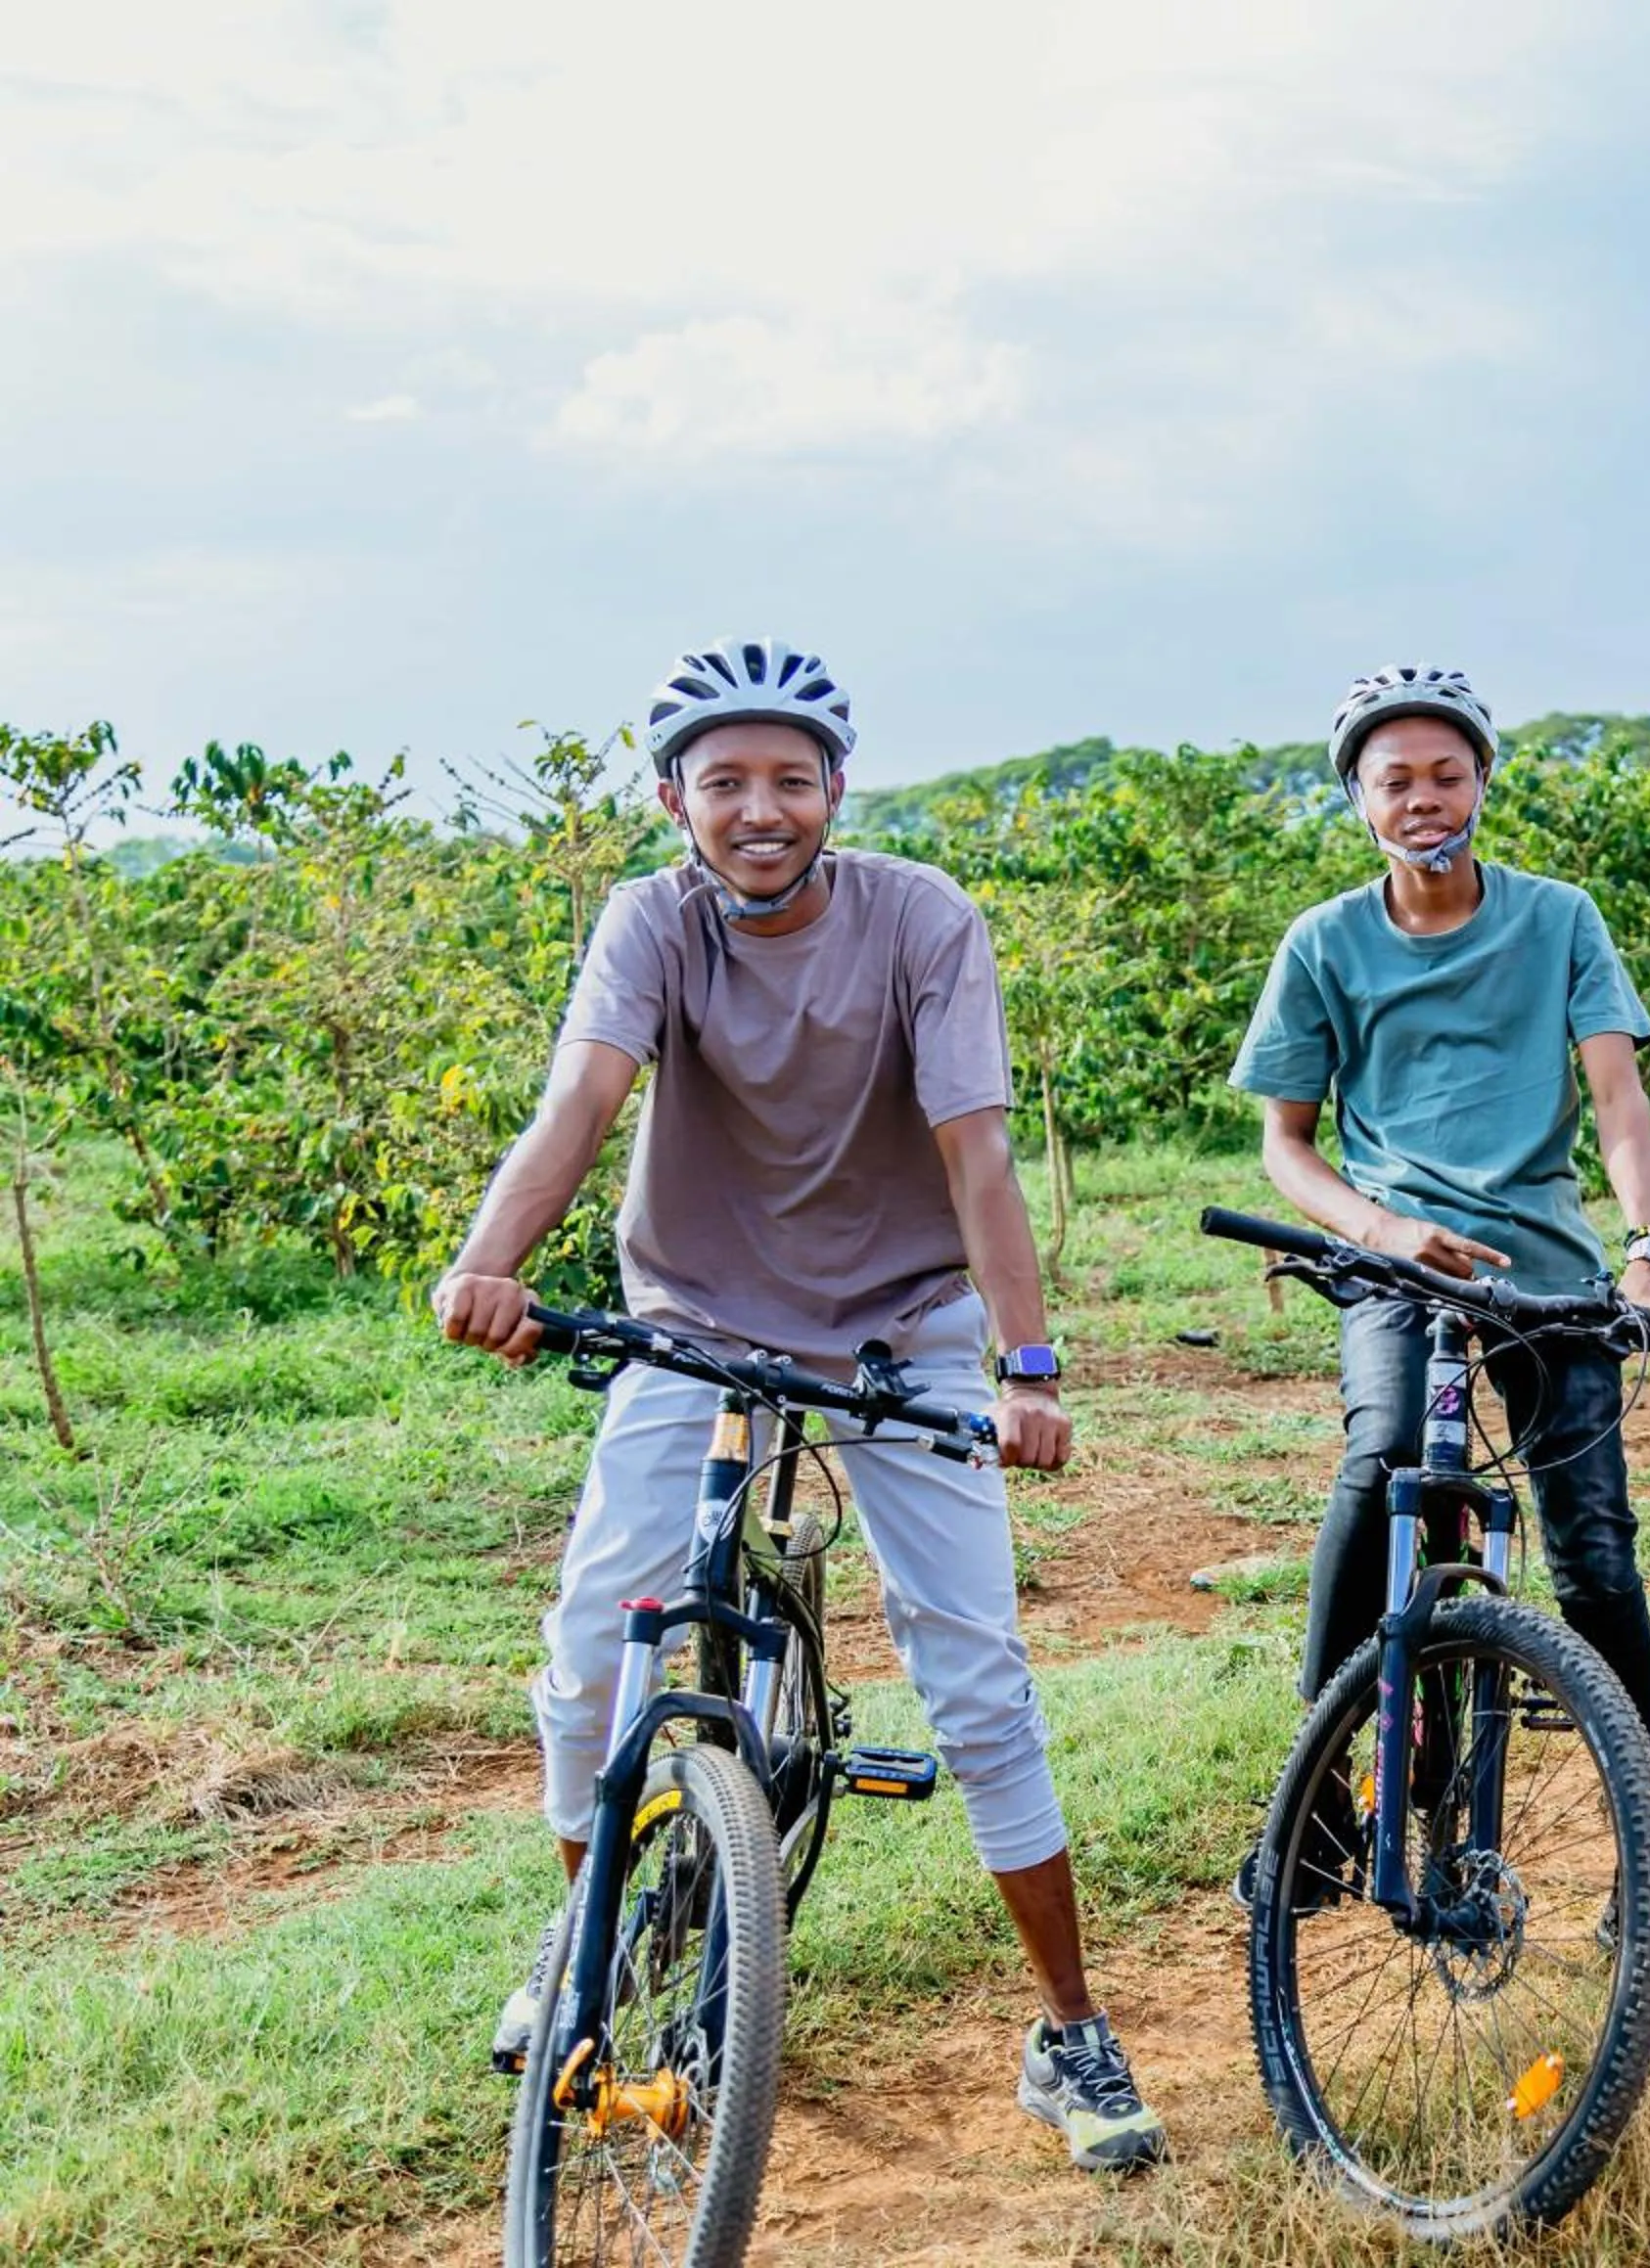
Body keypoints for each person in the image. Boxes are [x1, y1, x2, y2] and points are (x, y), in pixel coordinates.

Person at [433, 638, 1164, 2172]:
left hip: (902, 1323)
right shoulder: (652, 921)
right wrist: (489, 1260)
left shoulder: (922, 921)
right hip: (696, 1315)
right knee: (587, 1664)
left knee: (975, 1674)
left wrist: (1025, 1367)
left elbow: (976, 1154)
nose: (757, 809)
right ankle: (595, 1944)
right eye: (723, 783)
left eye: (788, 779)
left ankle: (1071, 2028)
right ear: (672, 799)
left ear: (837, 787)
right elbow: (582, 1100)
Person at [1226, 665, 1650, 1907]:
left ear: (1483, 783)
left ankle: (1641, 1872)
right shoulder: (1323, 943)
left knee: (1596, 1554)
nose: (1424, 798)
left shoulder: (1559, 918)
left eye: (1448, 773)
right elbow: (1287, 1140)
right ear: (1358, 799)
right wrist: (1380, 1227)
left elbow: (1616, 1097)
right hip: (1395, 1265)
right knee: (1382, 1455)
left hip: (1547, 1265)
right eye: (1396, 780)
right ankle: (1323, 1798)